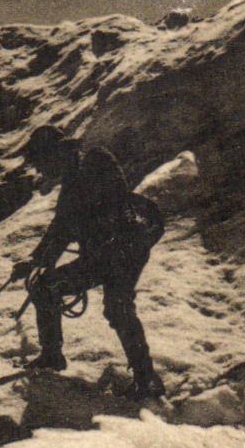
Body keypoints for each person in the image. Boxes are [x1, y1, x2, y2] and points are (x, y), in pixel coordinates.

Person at [11, 126, 166, 399]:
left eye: (40, 162)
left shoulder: (94, 163)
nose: (41, 171)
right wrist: (35, 262)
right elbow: (61, 228)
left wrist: (41, 258)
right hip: (100, 256)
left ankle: (147, 380)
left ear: (52, 154)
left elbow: (70, 224)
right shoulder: (74, 176)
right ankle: (51, 357)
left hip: (125, 252)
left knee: (118, 308)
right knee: (45, 287)